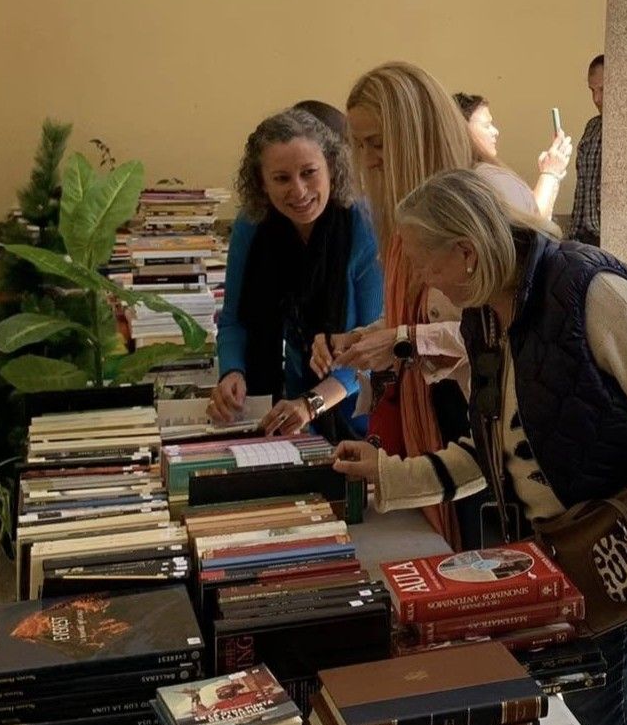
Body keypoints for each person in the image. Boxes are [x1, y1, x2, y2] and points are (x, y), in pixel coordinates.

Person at [333, 169, 627, 725]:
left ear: (466, 254)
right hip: (578, 565)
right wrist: (389, 477)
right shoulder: (485, 317)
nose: (422, 282)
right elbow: (492, 449)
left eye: (424, 264)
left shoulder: (591, 288)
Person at [312, 61, 476, 546]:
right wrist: (369, 337)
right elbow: (422, 311)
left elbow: (491, 333)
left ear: (415, 134)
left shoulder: (469, 203)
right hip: (424, 416)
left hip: (463, 421)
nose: (368, 158)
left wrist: (401, 341)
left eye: (378, 143)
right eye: (359, 145)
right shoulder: (404, 213)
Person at [208, 107, 382, 440]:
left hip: (359, 409)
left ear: (332, 168)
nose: (299, 191)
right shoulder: (251, 225)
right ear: (261, 182)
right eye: (282, 178)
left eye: (309, 172)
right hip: (284, 406)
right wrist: (232, 372)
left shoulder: (364, 225)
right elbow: (234, 321)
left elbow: (371, 347)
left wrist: (310, 404)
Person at [453, 92, 572, 220]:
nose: (495, 132)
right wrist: (550, 173)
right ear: (463, 130)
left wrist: (553, 174)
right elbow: (533, 221)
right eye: (487, 125)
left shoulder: (458, 174)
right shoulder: (485, 176)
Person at [568, 54, 605, 246]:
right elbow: (582, 186)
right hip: (586, 237)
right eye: (592, 90)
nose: (596, 98)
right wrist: (573, 236)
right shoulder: (592, 127)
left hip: (614, 236)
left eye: (602, 89)